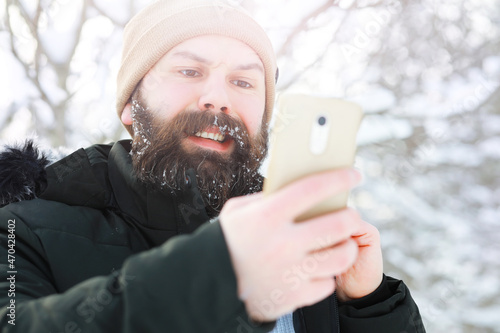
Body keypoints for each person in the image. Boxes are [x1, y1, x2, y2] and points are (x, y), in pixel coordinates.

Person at [0, 0, 426, 332]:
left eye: (243, 82)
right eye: (189, 71)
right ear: (131, 105)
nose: (217, 98)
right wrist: (220, 271)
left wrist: (368, 305)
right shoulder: (20, 232)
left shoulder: (300, 245)